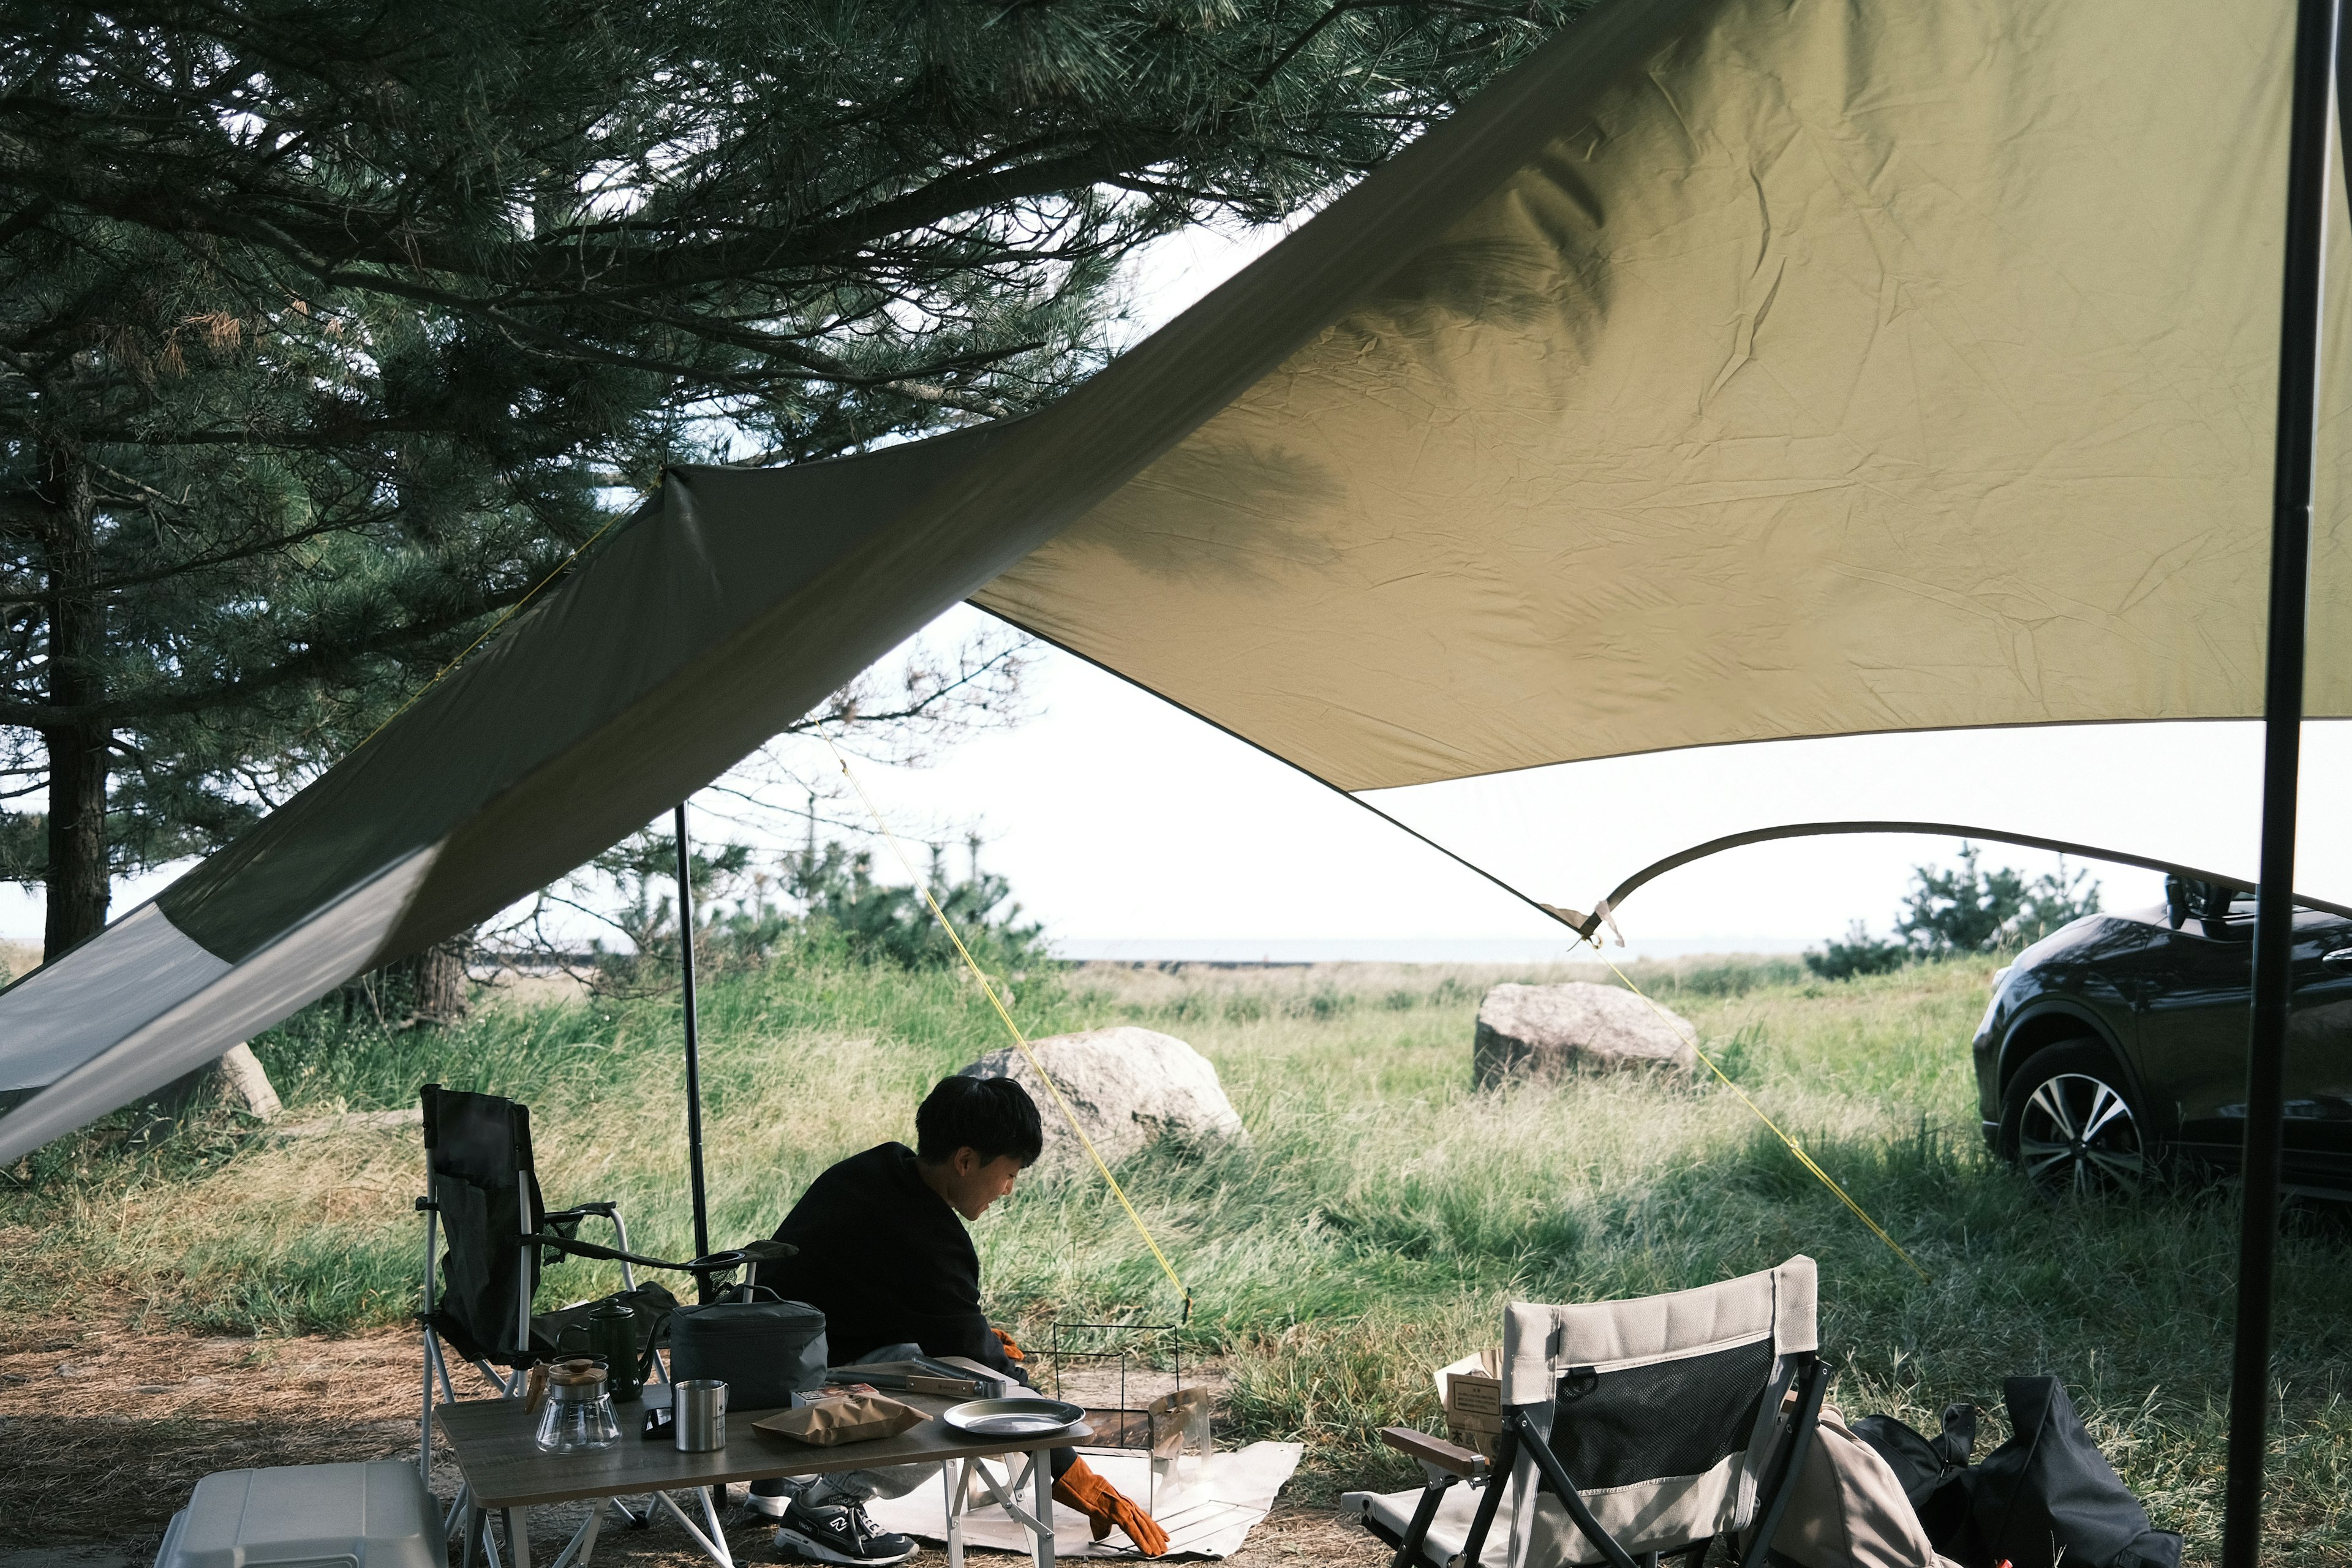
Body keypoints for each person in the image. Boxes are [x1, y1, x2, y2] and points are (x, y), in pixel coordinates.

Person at [749, 1074, 1168, 1565]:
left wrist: (974, 1339)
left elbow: (880, 1301)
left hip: (760, 1365)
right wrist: (1068, 1467)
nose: (1009, 1190)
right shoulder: (928, 1239)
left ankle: (777, 1476)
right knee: (957, 1404)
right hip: (794, 1386)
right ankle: (825, 1505)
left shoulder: (875, 1169)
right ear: (966, 1161)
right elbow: (981, 1373)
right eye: (1010, 1173)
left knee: (936, 1363)